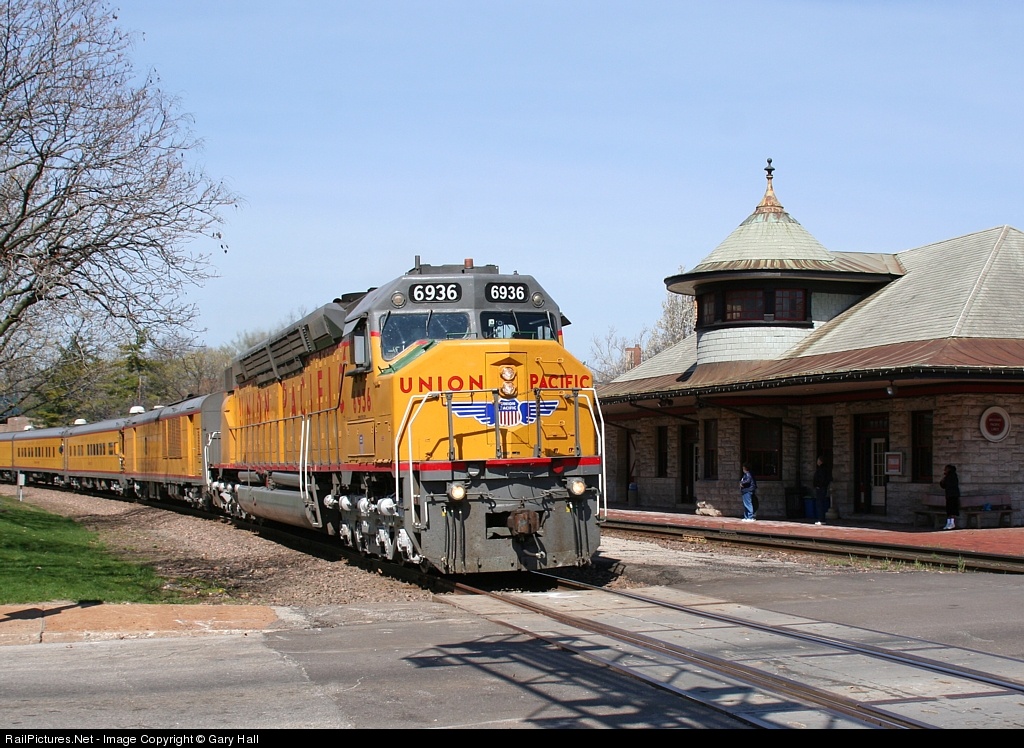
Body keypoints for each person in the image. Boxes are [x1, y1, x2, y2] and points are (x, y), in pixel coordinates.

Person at [939, 464, 960, 530]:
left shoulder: (952, 476)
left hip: (953, 495)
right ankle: (948, 523)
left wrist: (944, 480)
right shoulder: (947, 476)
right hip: (949, 495)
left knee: (952, 509)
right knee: (948, 510)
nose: (945, 470)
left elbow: (948, 485)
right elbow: (943, 486)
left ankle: (952, 523)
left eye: (946, 469)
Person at [812, 456, 832, 525]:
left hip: (821, 488)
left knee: (820, 504)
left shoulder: (822, 469)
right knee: (820, 503)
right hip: (822, 488)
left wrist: (819, 486)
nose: (817, 462)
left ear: (820, 461)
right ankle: (821, 519)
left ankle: (821, 519)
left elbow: (822, 479)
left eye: (818, 460)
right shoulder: (824, 469)